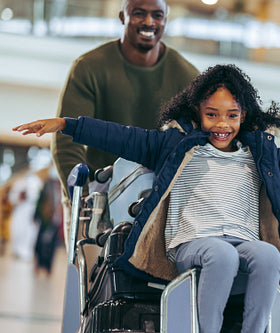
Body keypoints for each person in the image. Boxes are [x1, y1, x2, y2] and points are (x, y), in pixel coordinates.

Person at [14, 64, 280, 333]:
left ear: (245, 115)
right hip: (190, 243)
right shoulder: (174, 144)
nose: (221, 124)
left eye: (231, 116)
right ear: (198, 113)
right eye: (212, 115)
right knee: (220, 254)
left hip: (241, 240)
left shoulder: (261, 153)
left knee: (269, 254)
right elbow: (121, 136)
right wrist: (68, 125)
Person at [51, 0, 199, 249]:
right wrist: (82, 196)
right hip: (97, 188)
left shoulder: (187, 77)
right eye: (139, 14)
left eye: (157, 15)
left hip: (156, 191)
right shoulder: (88, 67)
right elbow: (66, 140)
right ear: (122, 17)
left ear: (165, 20)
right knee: (87, 274)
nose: (149, 22)